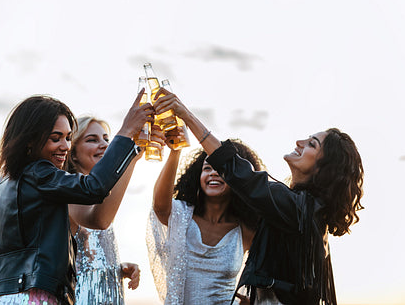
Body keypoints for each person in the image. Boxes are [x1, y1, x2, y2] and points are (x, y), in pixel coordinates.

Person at [152, 89, 364, 305]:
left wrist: (186, 115)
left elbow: (237, 171)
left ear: (323, 169)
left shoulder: (297, 208)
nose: (300, 142)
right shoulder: (304, 211)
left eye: (312, 144)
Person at [0, 92, 152, 305]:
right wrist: (126, 132)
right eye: (55, 138)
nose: (65, 146)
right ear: (29, 140)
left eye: (68, 138)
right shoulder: (40, 173)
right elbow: (94, 188)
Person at [146, 125, 264, 304]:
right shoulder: (182, 216)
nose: (214, 173)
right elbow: (160, 206)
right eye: (207, 168)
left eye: (222, 169)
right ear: (197, 175)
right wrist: (175, 151)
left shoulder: (246, 231)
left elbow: (269, 275)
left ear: (239, 178)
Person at [66, 115, 141, 305]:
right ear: (73, 153)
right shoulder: (70, 190)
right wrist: (129, 159)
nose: (104, 145)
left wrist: (116, 268)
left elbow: (90, 255)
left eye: (106, 139)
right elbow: (100, 221)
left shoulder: (99, 196)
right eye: (92, 140)